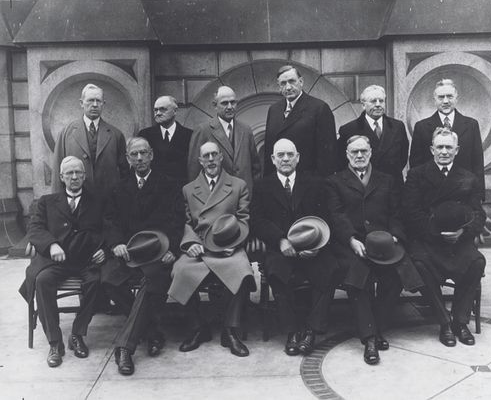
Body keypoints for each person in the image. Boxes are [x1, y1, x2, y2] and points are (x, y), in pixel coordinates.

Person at [325, 135, 423, 365]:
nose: (359, 156)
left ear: (371, 153)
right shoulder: (335, 181)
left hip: (383, 243)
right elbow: (336, 215)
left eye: (363, 151)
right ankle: (370, 338)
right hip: (353, 245)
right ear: (346, 155)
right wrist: (350, 239)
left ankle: (377, 325)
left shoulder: (387, 180)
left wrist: (395, 236)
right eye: (354, 152)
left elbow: (396, 214)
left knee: (396, 278)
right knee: (360, 280)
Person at [102, 137, 184, 375]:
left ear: (151, 156)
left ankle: (125, 347)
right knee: (108, 279)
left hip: (158, 255)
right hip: (129, 252)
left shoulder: (169, 185)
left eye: (144, 153)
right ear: (128, 159)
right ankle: (151, 330)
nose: (139, 158)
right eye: (134, 155)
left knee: (151, 284)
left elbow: (179, 222)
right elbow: (110, 220)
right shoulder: (119, 188)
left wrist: (173, 250)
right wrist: (116, 243)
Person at [251, 138, 340, 356]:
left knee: (330, 269)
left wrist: (317, 244)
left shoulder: (314, 183)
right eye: (280, 155)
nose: (285, 159)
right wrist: (280, 240)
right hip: (281, 248)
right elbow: (257, 220)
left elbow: (326, 216)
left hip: (312, 248)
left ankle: (310, 330)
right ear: (272, 159)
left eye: (290, 154)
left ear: (298, 157)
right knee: (276, 272)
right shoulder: (263, 185)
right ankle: (291, 332)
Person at [169, 141, 256, 357]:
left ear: (221, 158)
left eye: (214, 155)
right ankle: (198, 328)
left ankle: (230, 330)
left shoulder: (238, 185)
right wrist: (190, 244)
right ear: (200, 161)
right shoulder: (189, 189)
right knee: (179, 271)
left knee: (244, 272)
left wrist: (233, 243)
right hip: (199, 247)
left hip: (228, 246)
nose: (210, 160)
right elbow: (186, 222)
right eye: (205, 156)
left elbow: (244, 219)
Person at [19, 156, 106, 367]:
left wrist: (105, 249)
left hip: (85, 260)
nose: (74, 177)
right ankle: (54, 342)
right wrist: (51, 245)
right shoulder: (46, 202)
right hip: (56, 262)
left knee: (97, 281)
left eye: (78, 173)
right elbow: (35, 228)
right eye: (69, 173)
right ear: (61, 177)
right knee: (42, 281)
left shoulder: (98, 202)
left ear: (84, 176)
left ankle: (77, 334)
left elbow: (108, 228)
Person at [402, 128, 486, 347]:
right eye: (439, 147)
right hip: (430, 239)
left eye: (449, 147)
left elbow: (478, 213)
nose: (444, 151)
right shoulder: (417, 174)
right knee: (419, 263)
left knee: (477, 262)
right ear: (432, 149)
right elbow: (411, 212)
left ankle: (460, 321)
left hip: (458, 240)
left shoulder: (469, 178)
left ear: (457, 150)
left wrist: (463, 232)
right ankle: (444, 322)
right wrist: (436, 234)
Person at [409, 79, 484, 198]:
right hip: (431, 195)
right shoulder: (421, 127)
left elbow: (477, 163)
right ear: (434, 100)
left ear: (456, 98)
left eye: (449, 96)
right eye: (441, 97)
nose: (445, 101)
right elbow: (415, 164)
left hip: (463, 193)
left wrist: (479, 195)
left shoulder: (471, 125)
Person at [51, 83, 129, 195]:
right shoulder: (66, 133)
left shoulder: (116, 135)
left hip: (108, 202)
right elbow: (57, 171)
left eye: (98, 101)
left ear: (103, 104)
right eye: (90, 100)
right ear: (81, 103)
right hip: (78, 201)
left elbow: (124, 173)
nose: (95, 105)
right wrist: (58, 202)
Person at [264, 65, 338, 176]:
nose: (288, 87)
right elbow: (269, 149)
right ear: (279, 86)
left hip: (308, 182)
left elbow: (327, 156)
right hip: (279, 182)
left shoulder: (319, 108)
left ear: (301, 82)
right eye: (283, 83)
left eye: (292, 81)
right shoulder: (274, 110)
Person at [188, 86, 261, 195]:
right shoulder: (203, 130)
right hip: (216, 198)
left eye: (233, 102)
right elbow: (194, 170)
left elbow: (255, 168)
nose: (230, 107)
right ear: (215, 105)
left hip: (244, 197)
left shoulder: (246, 130)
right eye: (224, 103)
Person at [338, 85, 409, 185]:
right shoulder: (349, 129)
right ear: (363, 105)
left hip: (393, 187)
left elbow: (403, 158)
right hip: (364, 187)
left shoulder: (398, 127)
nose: (378, 105)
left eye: (381, 101)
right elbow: (342, 162)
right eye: (373, 101)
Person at [138, 95, 193, 183]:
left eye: (163, 109)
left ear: (175, 111)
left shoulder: (189, 135)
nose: (158, 113)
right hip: (152, 191)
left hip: (179, 191)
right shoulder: (145, 135)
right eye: (155, 110)